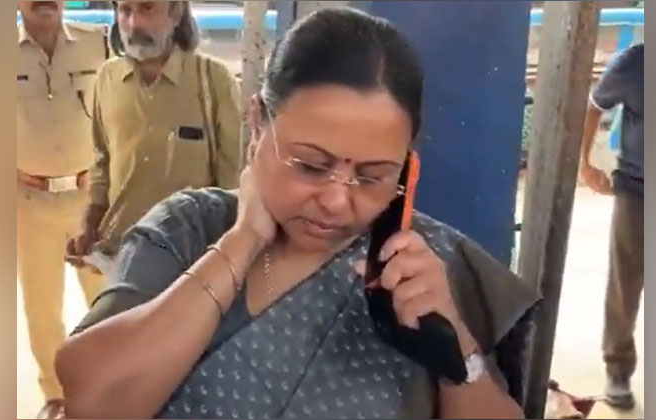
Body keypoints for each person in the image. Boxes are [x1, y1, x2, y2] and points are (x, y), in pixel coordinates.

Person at [56, 8, 538, 419]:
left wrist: (456, 353)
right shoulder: (187, 229)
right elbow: (92, 400)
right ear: (256, 123)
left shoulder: (428, 269)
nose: (337, 200)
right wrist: (242, 242)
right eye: (310, 165)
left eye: (373, 175)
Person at [65, 1, 241, 271]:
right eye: (125, 11)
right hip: (120, 257)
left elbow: (232, 184)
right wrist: (88, 228)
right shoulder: (107, 78)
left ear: (176, 12)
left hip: (189, 262)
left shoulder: (213, 80)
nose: (134, 24)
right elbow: (102, 163)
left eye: (147, 9)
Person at [16, 1, 110, 417]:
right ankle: (55, 395)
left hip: (90, 197)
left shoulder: (97, 45)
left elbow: (118, 112)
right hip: (27, 200)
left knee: (107, 298)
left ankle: (111, 387)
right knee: (41, 306)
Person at [579, 43, 644, 410]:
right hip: (639, 192)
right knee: (626, 283)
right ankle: (617, 369)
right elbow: (594, 105)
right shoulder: (636, 62)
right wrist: (585, 164)